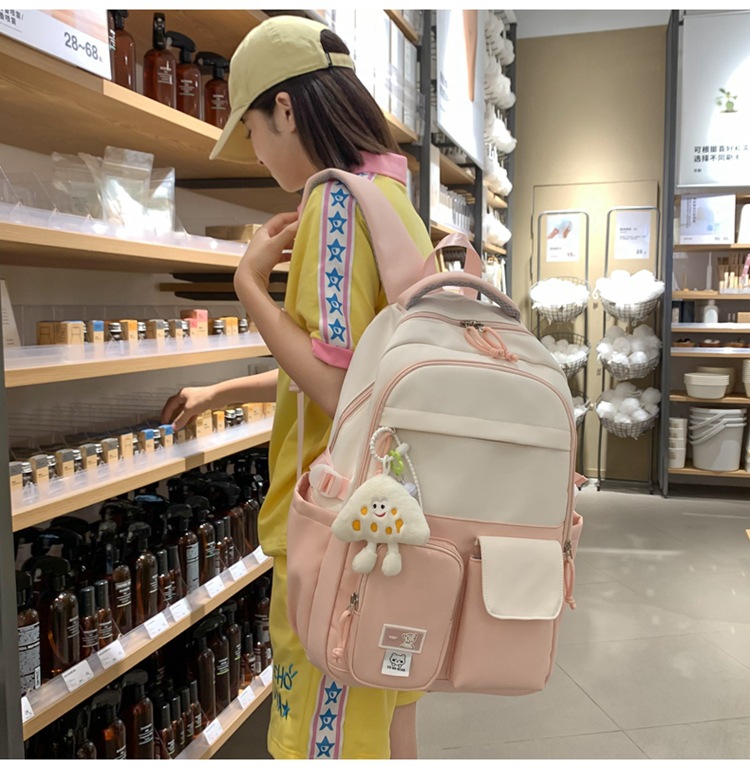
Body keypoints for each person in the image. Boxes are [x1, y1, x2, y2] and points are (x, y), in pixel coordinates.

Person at [161, 16, 434, 760]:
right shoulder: (392, 197)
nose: (254, 150)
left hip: (333, 532)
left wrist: (250, 286)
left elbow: (336, 387)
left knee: (320, 740)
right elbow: (357, 370)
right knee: (390, 726)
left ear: (285, 108)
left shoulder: (335, 204)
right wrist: (222, 393)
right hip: (390, 519)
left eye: (251, 128)